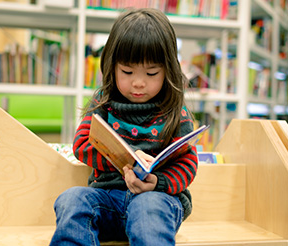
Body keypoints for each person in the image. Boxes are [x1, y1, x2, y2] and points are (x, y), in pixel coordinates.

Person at [50, 8, 198, 246]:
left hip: (156, 202)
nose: (138, 83)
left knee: (147, 206)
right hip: (107, 200)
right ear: (112, 66)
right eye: (127, 72)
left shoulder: (175, 113)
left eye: (151, 73)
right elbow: (81, 145)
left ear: (168, 69)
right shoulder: (103, 102)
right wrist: (126, 159)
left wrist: (158, 182)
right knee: (72, 198)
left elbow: (188, 165)